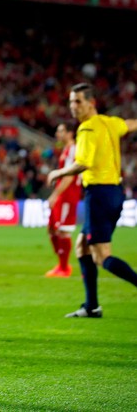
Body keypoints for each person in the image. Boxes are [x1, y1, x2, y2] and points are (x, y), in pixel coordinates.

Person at [47, 83, 137, 318]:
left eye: (78, 101)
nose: (73, 106)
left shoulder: (86, 130)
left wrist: (58, 173)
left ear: (91, 102)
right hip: (114, 193)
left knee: (102, 255)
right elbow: (129, 124)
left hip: (99, 193)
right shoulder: (110, 122)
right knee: (82, 247)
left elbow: (83, 163)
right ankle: (92, 306)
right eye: (70, 101)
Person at [45, 122, 82, 278]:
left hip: (68, 195)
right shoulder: (66, 150)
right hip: (62, 194)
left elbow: (69, 177)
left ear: (70, 133)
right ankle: (61, 264)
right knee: (52, 229)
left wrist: (55, 195)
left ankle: (64, 268)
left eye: (61, 131)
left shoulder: (73, 149)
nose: (57, 134)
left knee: (63, 231)